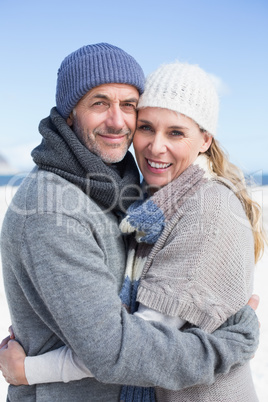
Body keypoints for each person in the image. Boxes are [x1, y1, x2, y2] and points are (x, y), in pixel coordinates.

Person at [0, 44, 260, 402]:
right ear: (70, 114)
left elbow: (126, 340)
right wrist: (229, 345)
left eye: (128, 105)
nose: (118, 121)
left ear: (205, 139)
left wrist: (29, 369)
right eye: (99, 102)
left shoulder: (156, 198)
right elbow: (115, 348)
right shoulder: (54, 207)